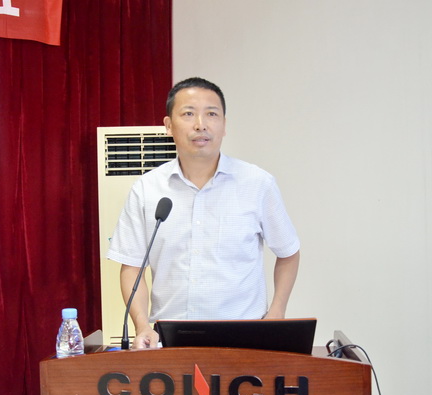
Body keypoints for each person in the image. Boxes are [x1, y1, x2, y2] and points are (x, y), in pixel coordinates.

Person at [107, 77, 300, 348]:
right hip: (171, 339)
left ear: (224, 125)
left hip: (245, 337)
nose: (201, 124)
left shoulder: (257, 184)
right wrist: (142, 326)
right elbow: (132, 266)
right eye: (188, 114)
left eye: (211, 114)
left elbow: (288, 253)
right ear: (168, 125)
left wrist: (276, 314)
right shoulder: (146, 189)